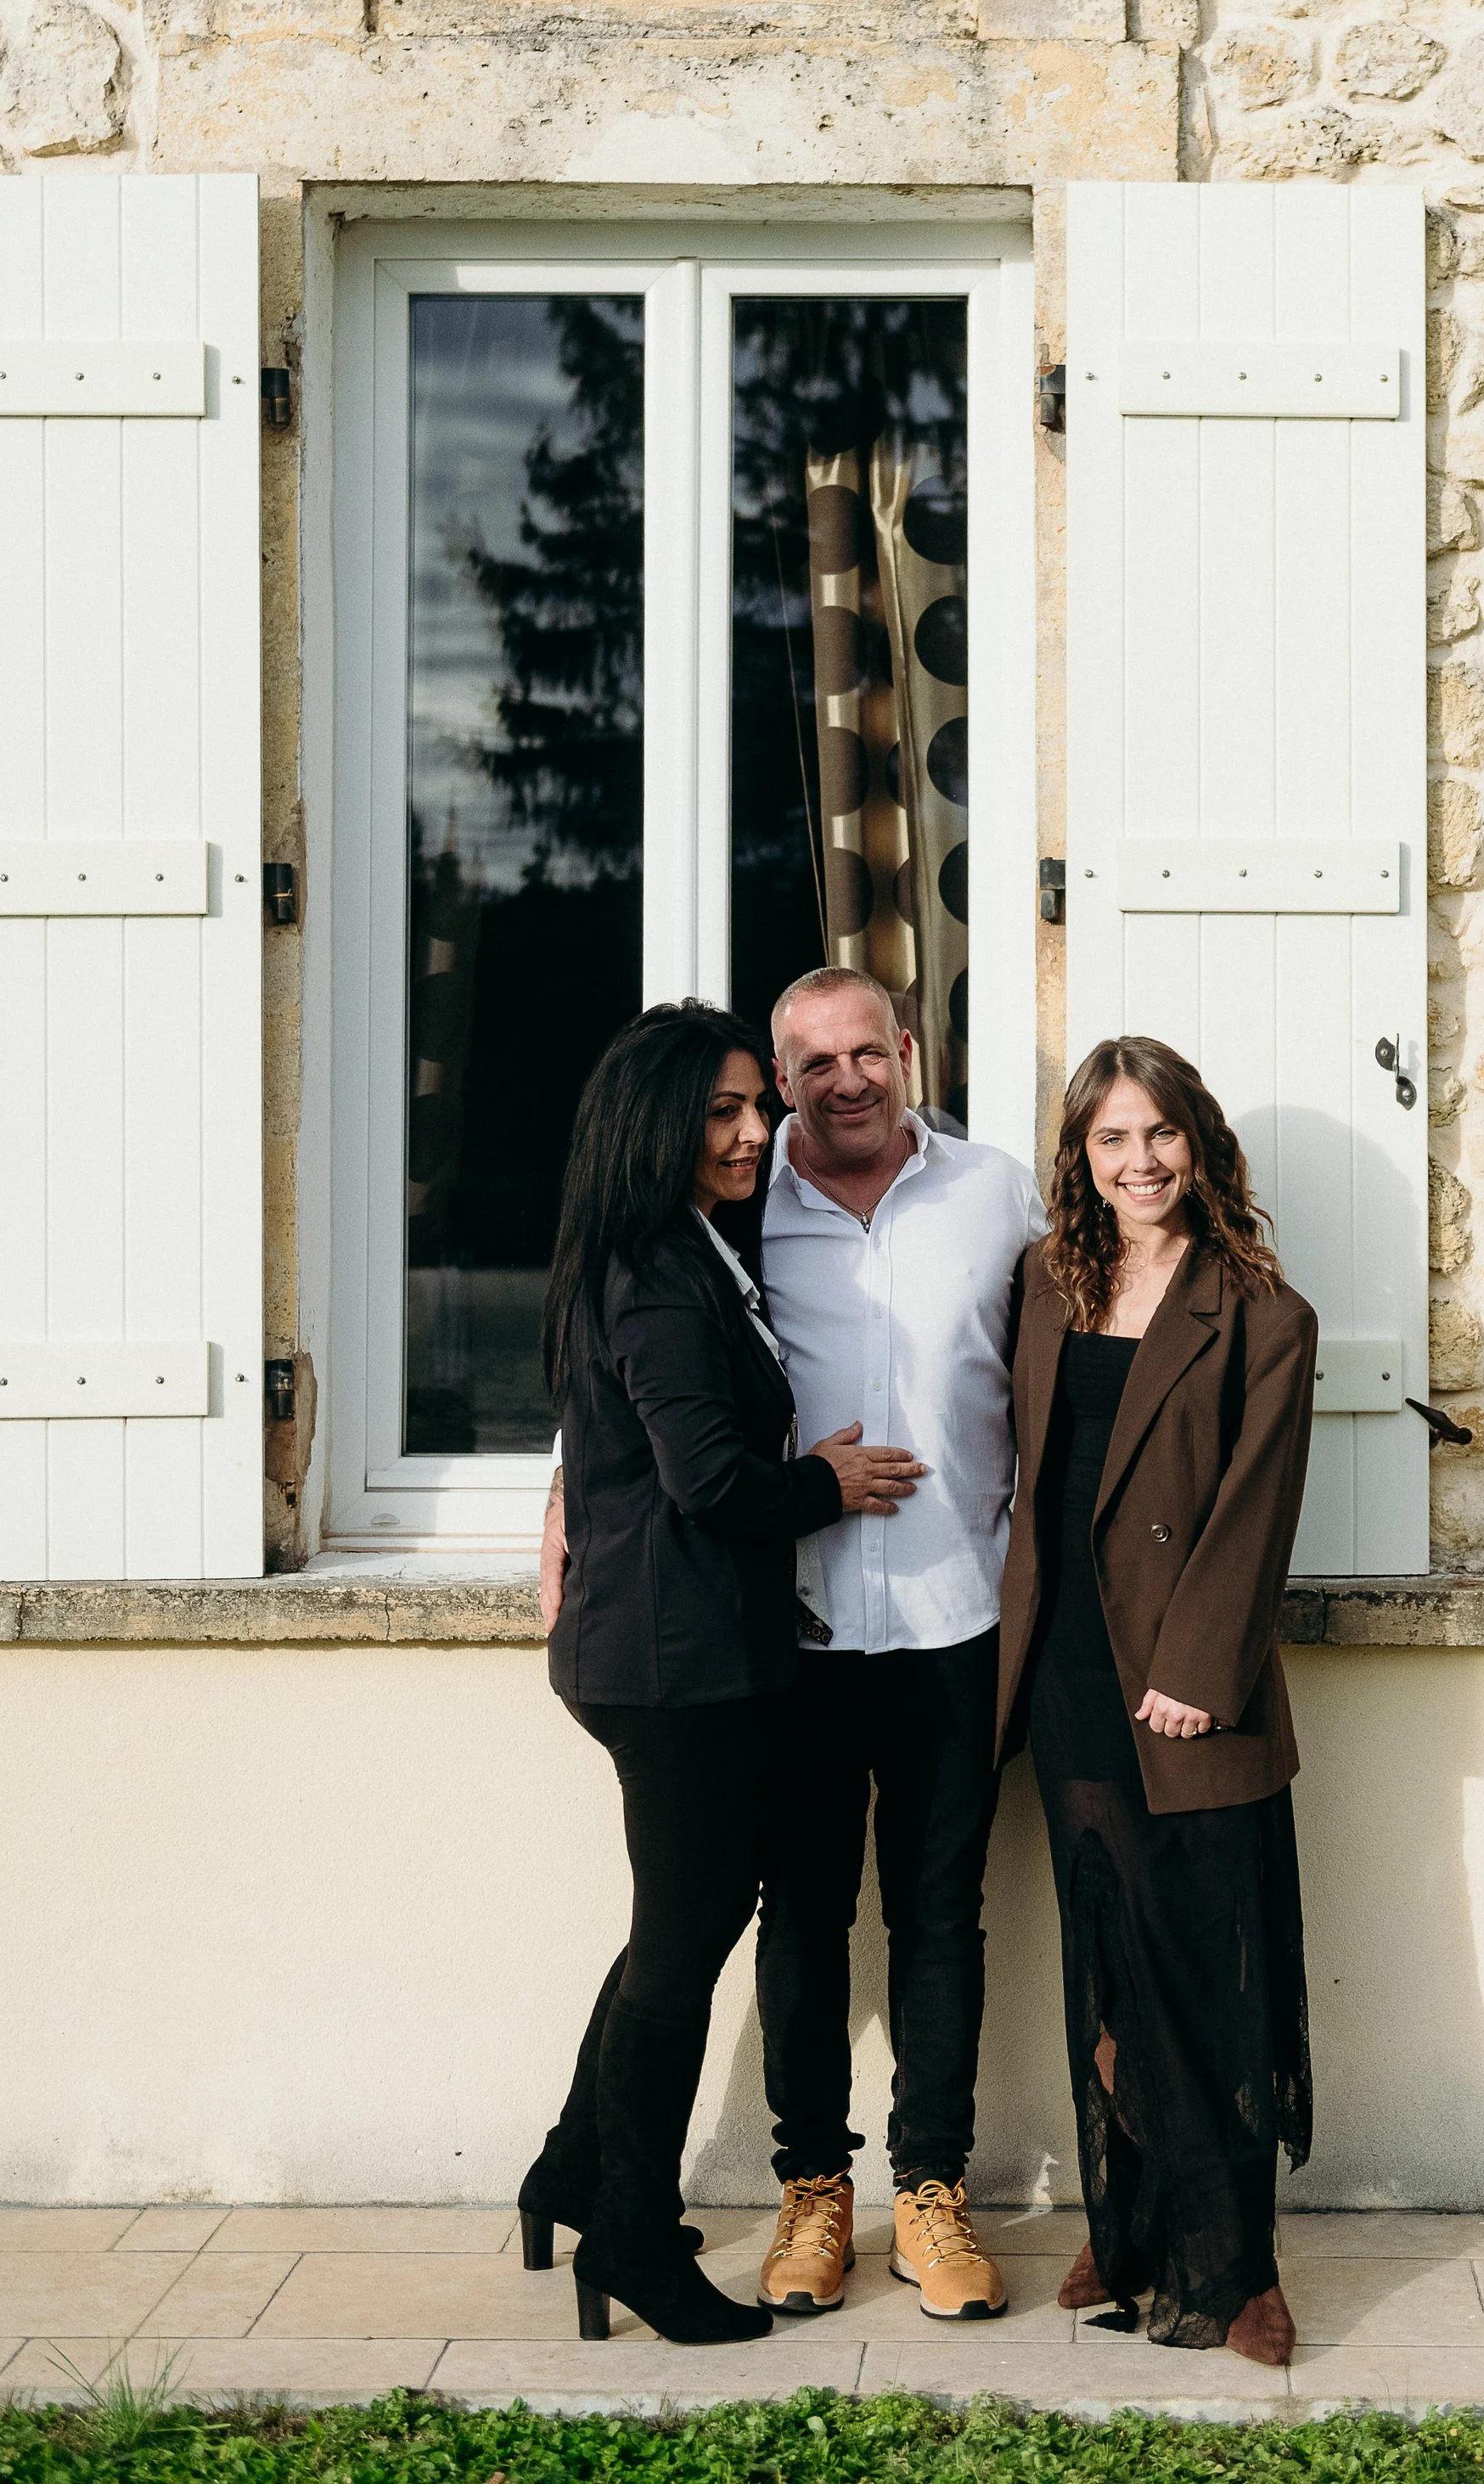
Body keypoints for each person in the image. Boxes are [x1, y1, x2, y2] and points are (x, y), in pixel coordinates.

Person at [519, 1000, 925, 2346]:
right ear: (658, 1125)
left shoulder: (687, 1246)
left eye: (762, 1105)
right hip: (671, 1658)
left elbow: (621, 1443)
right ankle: (630, 2231)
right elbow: (706, 1480)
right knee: (686, 1946)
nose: (760, 1130)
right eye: (725, 1111)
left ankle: (575, 2168)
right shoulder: (653, 1262)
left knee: (673, 1927)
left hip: (670, 1642)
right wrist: (832, 1479)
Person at [995, 1036, 1317, 2365]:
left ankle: (1234, 2262)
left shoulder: (1260, 1308)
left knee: (1199, 1970)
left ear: (1201, 1142)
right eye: (1112, 1139)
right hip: (1066, 1658)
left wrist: (1196, 1668)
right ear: (1081, 1154)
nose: (1139, 1162)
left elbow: (1255, 1510)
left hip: (1185, 1682)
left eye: (1160, 1134)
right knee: (1109, 1961)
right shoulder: (1045, 1279)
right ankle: (1125, 2224)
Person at [750, 965, 1046, 2323]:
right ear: (783, 1074)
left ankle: (932, 2191)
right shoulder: (742, 1205)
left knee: (940, 1918)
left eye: (869, 1052)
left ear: (910, 1050)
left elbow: (1085, 1344)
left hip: (953, 1619)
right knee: (802, 1915)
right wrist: (573, 1481)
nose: (847, 1081)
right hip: (792, 1626)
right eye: (815, 1064)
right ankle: (814, 2189)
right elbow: (635, 1344)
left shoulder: (996, 1191)